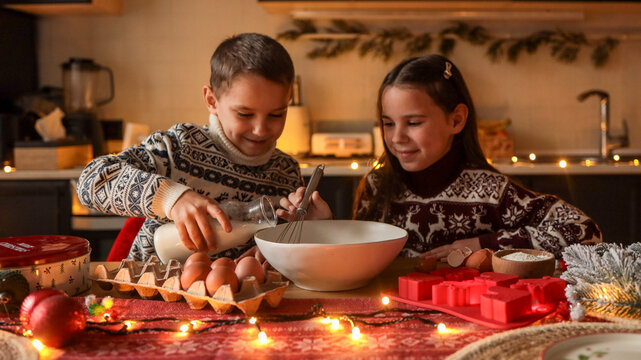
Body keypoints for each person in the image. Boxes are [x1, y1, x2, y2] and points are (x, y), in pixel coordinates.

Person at [278, 55, 601, 259]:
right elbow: (364, 259)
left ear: (456, 120)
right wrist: (327, 229)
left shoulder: (490, 190)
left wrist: (483, 243)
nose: (397, 137)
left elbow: (583, 230)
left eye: (414, 122)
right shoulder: (379, 184)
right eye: (388, 123)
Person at [77, 33, 304, 261]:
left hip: (241, 294)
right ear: (211, 101)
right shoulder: (179, 147)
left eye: (276, 114)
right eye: (245, 114)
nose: (260, 129)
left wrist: (313, 227)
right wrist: (172, 198)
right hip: (151, 291)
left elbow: (290, 256)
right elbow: (91, 181)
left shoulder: (286, 173)